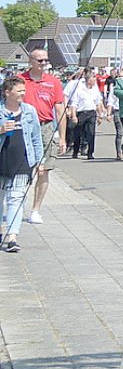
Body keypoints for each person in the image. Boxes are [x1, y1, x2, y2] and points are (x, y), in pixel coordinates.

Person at [1, 77, 46, 252]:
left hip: (23, 161)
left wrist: (39, 161)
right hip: (2, 160)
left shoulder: (29, 111)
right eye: (19, 91)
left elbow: (36, 137)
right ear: (7, 92)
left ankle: (12, 236)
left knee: (16, 198)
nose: (23, 94)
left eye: (23, 90)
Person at [19, 50, 64, 222]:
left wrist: (62, 136)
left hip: (46, 127)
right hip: (24, 126)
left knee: (44, 170)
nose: (43, 63)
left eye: (46, 60)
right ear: (30, 61)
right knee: (22, 170)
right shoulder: (19, 80)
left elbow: (60, 109)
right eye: (40, 60)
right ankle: (17, 203)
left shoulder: (53, 82)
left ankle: (36, 209)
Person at [64, 69, 103, 160]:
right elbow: (74, 104)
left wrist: (100, 115)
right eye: (93, 79)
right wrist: (74, 116)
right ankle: (76, 151)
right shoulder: (80, 90)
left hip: (91, 113)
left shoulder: (95, 90)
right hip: (81, 113)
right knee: (78, 133)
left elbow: (98, 103)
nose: (94, 81)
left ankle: (90, 153)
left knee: (91, 133)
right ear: (88, 80)